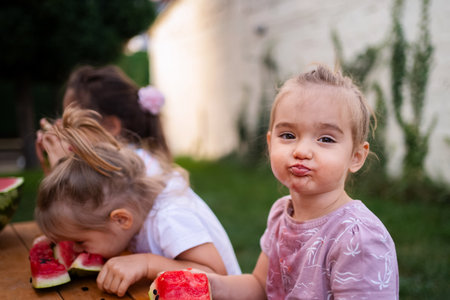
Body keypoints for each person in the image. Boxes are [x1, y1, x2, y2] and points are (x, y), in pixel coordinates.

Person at [207, 64, 399, 299]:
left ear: (356, 156)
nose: (302, 150)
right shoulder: (281, 214)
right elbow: (259, 286)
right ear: (270, 144)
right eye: (288, 135)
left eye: (325, 139)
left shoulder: (357, 237)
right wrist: (210, 286)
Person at [35, 106, 241, 297]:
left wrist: (146, 264)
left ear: (121, 220)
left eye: (80, 242)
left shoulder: (170, 219)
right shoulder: (127, 209)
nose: (75, 250)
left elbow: (216, 275)